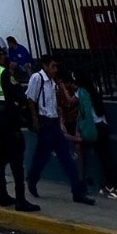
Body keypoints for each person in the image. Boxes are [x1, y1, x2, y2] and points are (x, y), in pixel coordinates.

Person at [26, 56, 95, 205]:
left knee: (65, 156)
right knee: (42, 156)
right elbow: (30, 99)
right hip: (44, 122)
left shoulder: (53, 82)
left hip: (54, 122)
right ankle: (32, 178)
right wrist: (35, 119)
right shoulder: (37, 78)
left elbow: (54, 103)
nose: (55, 70)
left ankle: (77, 191)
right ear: (45, 66)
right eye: (52, 67)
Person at [0, 46, 39, 212]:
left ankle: (3, 194)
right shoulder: (5, 73)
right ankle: (20, 199)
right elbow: (19, 94)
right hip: (9, 120)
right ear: (1, 56)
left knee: (0, 158)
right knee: (16, 161)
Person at [73, 75, 117, 198]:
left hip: (96, 128)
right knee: (104, 158)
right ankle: (110, 185)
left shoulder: (81, 93)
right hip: (102, 126)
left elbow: (72, 103)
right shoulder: (93, 91)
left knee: (106, 158)